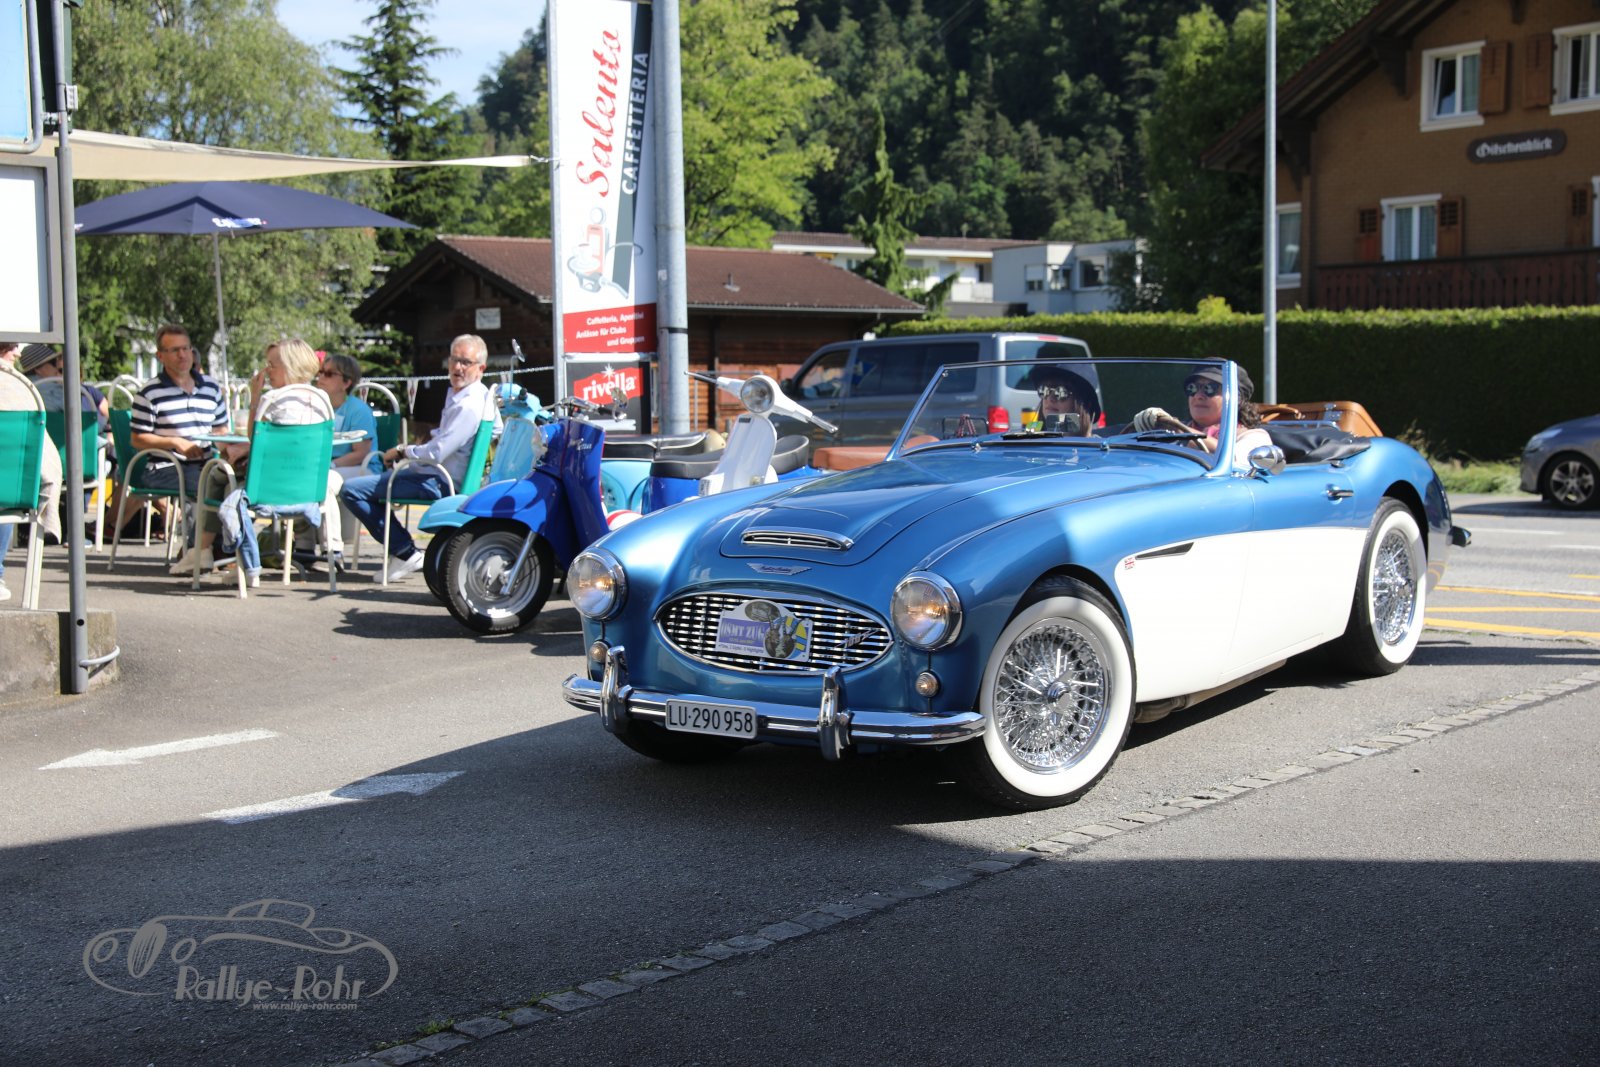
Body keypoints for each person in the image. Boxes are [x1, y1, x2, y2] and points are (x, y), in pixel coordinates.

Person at [340, 334, 497, 583]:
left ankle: (404, 552)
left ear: (481, 368)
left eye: (466, 362)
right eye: (454, 360)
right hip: (434, 473)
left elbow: (436, 453)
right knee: (366, 484)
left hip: (439, 480)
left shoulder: (468, 404)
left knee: (351, 490)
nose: (457, 367)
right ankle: (402, 550)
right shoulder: (474, 395)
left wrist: (403, 451)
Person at [128, 324, 230, 574]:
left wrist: (224, 443)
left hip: (205, 462)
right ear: (160, 356)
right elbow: (138, 439)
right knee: (209, 485)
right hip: (165, 466)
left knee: (235, 482)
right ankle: (203, 550)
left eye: (186, 348)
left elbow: (221, 430)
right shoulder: (149, 392)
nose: (182, 355)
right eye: (174, 350)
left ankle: (207, 549)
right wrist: (175, 442)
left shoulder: (210, 388)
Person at [0, 341, 64, 603]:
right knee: (8, 488)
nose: (17, 352)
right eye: (11, 346)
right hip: (10, 491)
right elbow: (47, 461)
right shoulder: (22, 389)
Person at [1128, 362, 1273, 466]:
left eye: (1210, 388)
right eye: (1192, 388)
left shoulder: (1254, 437)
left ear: (1237, 399)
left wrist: (1178, 430)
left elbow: (1231, 459)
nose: (1198, 396)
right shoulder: (1171, 431)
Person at [20, 344, 109, 429]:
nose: (57, 368)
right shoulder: (56, 391)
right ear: (38, 369)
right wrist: (104, 424)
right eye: (53, 362)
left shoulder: (23, 388)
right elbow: (89, 424)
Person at [1028, 363, 1101, 433]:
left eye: (1061, 392)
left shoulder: (1095, 442)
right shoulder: (1032, 435)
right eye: (1044, 390)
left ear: (1083, 404)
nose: (1050, 398)